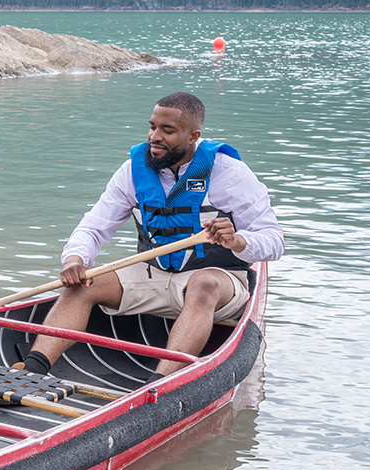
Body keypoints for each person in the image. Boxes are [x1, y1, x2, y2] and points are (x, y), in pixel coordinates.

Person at [15, 92, 284, 382]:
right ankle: (32, 370)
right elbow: (94, 226)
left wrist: (238, 241)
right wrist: (75, 259)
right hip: (154, 273)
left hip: (218, 282)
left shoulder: (229, 174)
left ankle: (159, 385)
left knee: (202, 283)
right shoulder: (133, 170)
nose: (155, 136)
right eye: (152, 126)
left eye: (167, 131)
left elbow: (274, 240)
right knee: (83, 283)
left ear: (193, 136)